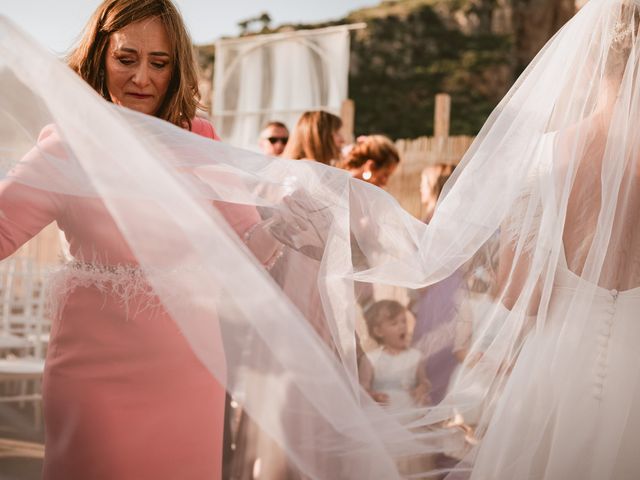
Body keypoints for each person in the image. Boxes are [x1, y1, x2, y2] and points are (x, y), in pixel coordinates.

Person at [0, 1, 281, 478]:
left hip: (190, 372)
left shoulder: (199, 136)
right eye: (126, 59)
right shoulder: (65, 147)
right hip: (94, 379)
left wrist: (301, 226)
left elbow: (253, 240)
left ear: (177, 68)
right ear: (98, 58)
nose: (142, 79)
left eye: (159, 63)